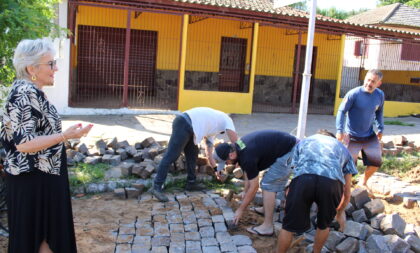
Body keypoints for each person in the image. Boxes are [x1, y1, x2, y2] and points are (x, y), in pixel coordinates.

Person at [1, 39, 93, 253]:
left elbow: (40, 135)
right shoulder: (23, 93)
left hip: (43, 177)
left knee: (45, 240)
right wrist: (63, 136)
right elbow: (24, 144)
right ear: (31, 68)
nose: (56, 68)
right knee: (41, 239)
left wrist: (70, 135)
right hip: (32, 180)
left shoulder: (33, 92)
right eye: (50, 63)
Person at [277, 130, 357, 253]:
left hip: (303, 180)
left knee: (288, 226)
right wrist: (340, 213)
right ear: (332, 138)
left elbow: (294, 169)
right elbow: (347, 190)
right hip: (331, 183)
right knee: (323, 225)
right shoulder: (342, 148)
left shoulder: (304, 142)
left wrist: (290, 193)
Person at [214, 130, 297, 236]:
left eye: (226, 162)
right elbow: (248, 171)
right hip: (284, 147)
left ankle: (268, 227)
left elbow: (254, 186)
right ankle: (266, 209)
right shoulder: (239, 146)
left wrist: (240, 209)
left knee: (268, 185)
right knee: (268, 181)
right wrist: (245, 191)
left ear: (231, 155)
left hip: (291, 151)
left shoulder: (247, 156)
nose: (227, 164)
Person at [150, 107, 238, 202]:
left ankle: (191, 183)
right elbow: (236, 141)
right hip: (184, 123)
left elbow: (208, 153)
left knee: (192, 155)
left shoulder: (212, 130)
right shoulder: (227, 119)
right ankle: (157, 187)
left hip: (191, 129)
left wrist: (216, 170)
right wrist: (244, 150)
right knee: (172, 156)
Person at [336, 69, 385, 187]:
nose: (369, 83)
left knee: (375, 162)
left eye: (373, 81)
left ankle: (363, 182)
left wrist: (380, 128)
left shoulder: (380, 95)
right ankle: (346, 188)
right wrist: (339, 130)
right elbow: (341, 111)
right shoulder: (353, 94)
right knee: (348, 166)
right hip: (351, 136)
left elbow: (379, 112)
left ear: (379, 83)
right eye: (368, 80)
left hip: (368, 135)